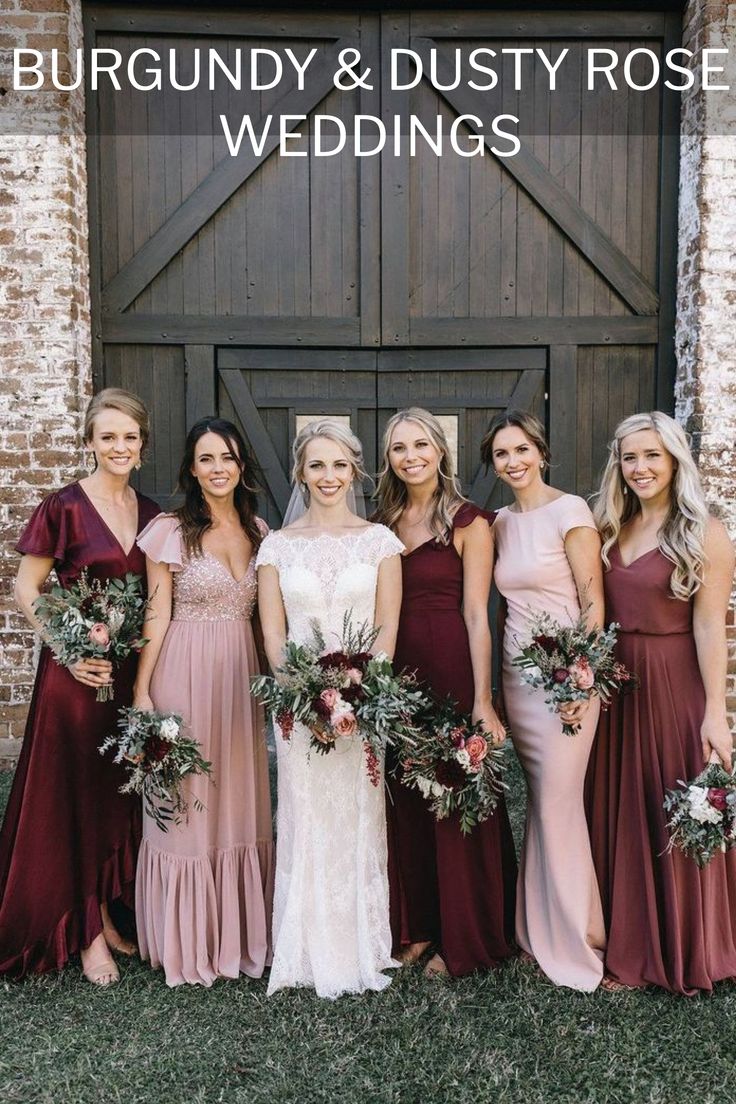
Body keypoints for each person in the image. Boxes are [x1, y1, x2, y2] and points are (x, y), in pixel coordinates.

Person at [0, 388, 160, 984]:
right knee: (74, 793)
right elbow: (26, 588)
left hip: (125, 677)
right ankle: (84, 932)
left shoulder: (151, 514)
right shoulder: (62, 507)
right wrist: (67, 651)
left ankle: (107, 914)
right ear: (90, 442)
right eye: (108, 436)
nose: (119, 447)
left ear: (142, 446)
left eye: (129, 437)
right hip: (74, 677)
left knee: (114, 789)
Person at [586, 411, 736, 994]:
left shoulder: (705, 533)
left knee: (667, 806)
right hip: (616, 683)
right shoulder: (607, 526)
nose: (640, 468)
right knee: (618, 805)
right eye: (630, 458)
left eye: (652, 455)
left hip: (673, 680)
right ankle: (619, 936)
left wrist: (715, 714)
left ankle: (677, 947)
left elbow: (709, 629)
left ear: (674, 459)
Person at [257, 418, 403, 999]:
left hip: (363, 705)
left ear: (355, 472)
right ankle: (303, 944)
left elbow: (389, 624)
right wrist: (302, 691)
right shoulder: (276, 546)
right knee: (305, 812)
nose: (328, 476)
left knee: (359, 811)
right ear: (300, 472)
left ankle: (361, 942)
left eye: (339, 465)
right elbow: (273, 634)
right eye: (317, 465)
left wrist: (362, 691)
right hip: (298, 709)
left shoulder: (380, 542)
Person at [375, 408, 517, 978]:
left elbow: (478, 615)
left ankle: (466, 933)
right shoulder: (380, 521)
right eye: (398, 448)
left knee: (453, 794)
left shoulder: (468, 521)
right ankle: (417, 925)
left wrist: (483, 701)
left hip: (450, 666)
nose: (411, 457)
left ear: (440, 452)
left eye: (421, 445)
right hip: (395, 671)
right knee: (405, 796)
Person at [133, 418, 274, 987]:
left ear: (242, 466)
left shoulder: (260, 529)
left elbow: (268, 621)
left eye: (229, 458)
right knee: (187, 808)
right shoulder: (170, 530)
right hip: (183, 674)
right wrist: (143, 691)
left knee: (239, 801)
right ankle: (186, 940)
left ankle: (239, 936)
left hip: (241, 678)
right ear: (192, 468)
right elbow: (156, 612)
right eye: (208, 458)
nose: (220, 468)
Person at [483, 409, 605, 991]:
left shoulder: (571, 512)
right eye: (503, 454)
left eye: (522, 449)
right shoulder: (500, 522)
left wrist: (580, 677)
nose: (514, 461)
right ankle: (535, 931)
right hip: (516, 677)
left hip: (564, 681)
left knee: (559, 803)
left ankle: (581, 940)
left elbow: (592, 602)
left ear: (541, 451)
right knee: (538, 804)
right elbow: (502, 607)